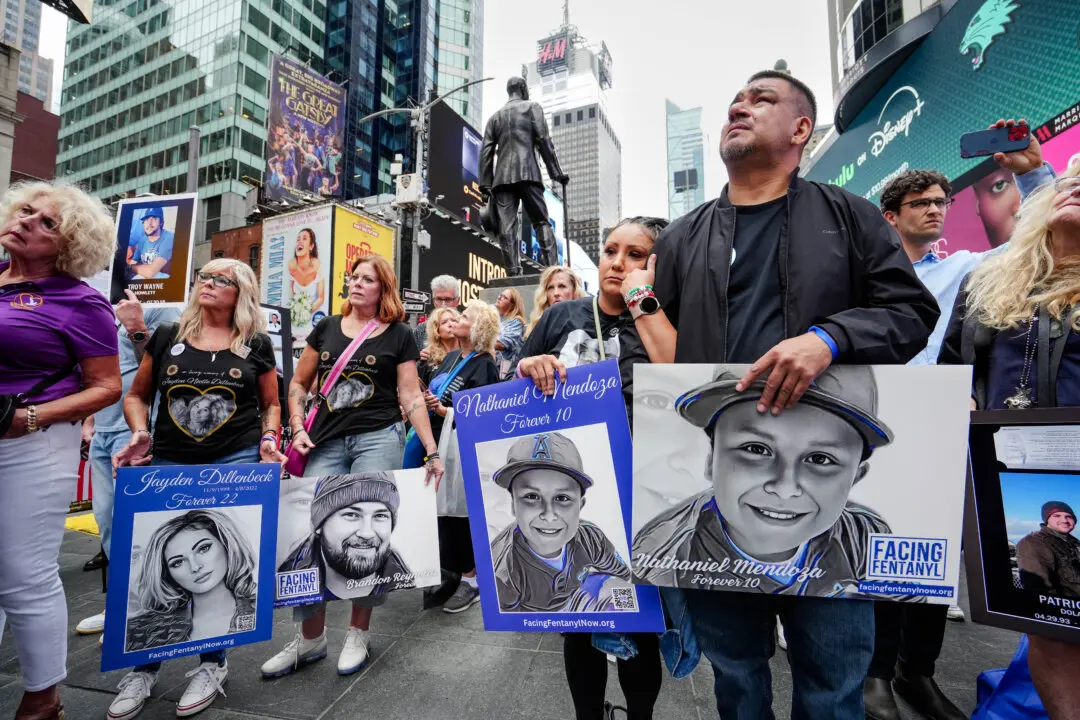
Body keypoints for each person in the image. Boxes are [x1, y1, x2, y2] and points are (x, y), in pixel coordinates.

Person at [650, 70, 938, 719]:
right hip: (725, 514)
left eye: (761, 99)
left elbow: (911, 313)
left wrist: (830, 339)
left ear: (801, 129)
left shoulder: (850, 217)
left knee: (834, 684)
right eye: (735, 101)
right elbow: (644, 351)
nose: (739, 107)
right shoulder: (683, 236)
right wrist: (555, 367)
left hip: (824, 523)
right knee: (736, 675)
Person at [865, 137, 1054, 720]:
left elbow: (1038, 236)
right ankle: (875, 674)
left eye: (943, 201)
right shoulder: (865, 272)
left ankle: (916, 673)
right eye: (920, 201)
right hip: (877, 419)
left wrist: (1033, 175)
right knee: (880, 546)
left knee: (937, 555)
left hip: (948, 420)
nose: (936, 209)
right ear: (891, 215)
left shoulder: (970, 267)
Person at [517, 216, 676, 720]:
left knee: (640, 618)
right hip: (577, 489)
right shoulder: (562, 315)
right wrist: (527, 367)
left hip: (644, 489)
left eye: (635, 254)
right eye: (610, 250)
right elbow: (515, 385)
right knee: (576, 616)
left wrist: (643, 299)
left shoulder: (661, 317)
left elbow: (682, 376)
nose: (617, 262)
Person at [110, 258, 283, 720]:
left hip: (235, 464)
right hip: (167, 462)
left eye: (220, 279)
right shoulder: (168, 336)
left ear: (240, 291)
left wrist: (269, 440)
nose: (207, 283)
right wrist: (138, 431)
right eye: (203, 277)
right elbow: (136, 394)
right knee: (158, 564)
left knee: (216, 567)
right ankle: (143, 668)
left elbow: (271, 404)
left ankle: (212, 665)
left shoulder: (256, 345)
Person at [937, 163, 1080, 720]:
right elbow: (956, 365)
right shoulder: (993, 278)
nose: (1073, 189)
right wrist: (962, 398)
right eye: (1066, 182)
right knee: (1049, 630)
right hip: (1014, 477)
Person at [262, 253, 443, 679]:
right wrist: (295, 425)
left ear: (384, 289)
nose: (357, 284)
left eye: (367, 279)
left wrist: (432, 452)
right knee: (310, 528)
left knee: (370, 531)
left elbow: (411, 395)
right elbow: (299, 384)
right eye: (354, 277)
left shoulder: (399, 335)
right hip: (324, 438)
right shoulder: (325, 327)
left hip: (379, 434)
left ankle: (358, 632)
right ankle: (310, 638)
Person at [0, 181, 121, 720]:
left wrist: (30, 416)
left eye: (48, 222)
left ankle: (43, 698)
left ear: (70, 246)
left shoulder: (80, 301)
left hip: (34, 445)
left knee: (25, 575)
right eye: (26, 210)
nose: (28, 221)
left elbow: (107, 385)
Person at [632, 366, 893, 592]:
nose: (784, 488)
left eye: (820, 459)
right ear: (712, 461)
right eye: (756, 449)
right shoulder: (660, 557)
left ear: (854, 479)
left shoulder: (866, 536)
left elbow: (898, 597)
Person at [76, 292, 181, 638]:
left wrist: (136, 325)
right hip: (103, 432)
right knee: (107, 523)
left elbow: (166, 371)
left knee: (135, 526)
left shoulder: (165, 301)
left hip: (132, 430)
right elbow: (96, 370)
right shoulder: (99, 299)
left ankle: (140, 608)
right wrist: (89, 420)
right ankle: (121, 604)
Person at [491, 432, 633, 613]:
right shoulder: (502, 570)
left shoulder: (590, 537)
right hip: (537, 616)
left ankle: (610, 637)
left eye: (562, 498)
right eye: (532, 496)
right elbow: (512, 621)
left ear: (580, 505)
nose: (549, 515)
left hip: (576, 595)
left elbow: (622, 574)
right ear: (513, 505)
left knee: (621, 593)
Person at [424, 300, 501, 614]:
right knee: (443, 513)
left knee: (463, 513)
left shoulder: (485, 364)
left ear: (479, 327)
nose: (456, 318)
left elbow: (486, 413)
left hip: (462, 449)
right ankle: (454, 572)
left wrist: (445, 410)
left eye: (465, 316)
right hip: (439, 445)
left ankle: (473, 580)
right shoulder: (454, 356)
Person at [126, 510, 258, 651]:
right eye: (178, 562)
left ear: (226, 544)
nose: (195, 567)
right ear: (167, 573)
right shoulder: (140, 629)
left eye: (203, 548)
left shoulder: (260, 609)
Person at [479, 76, 568, 274]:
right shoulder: (532, 107)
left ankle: (512, 272)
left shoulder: (495, 117)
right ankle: (553, 271)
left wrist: (485, 183)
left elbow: (485, 150)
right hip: (529, 173)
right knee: (541, 222)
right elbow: (544, 140)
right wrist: (556, 173)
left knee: (507, 226)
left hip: (502, 179)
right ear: (523, 88)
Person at [278, 473, 416, 598]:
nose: (367, 533)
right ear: (318, 525)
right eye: (351, 515)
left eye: (380, 516)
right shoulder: (280, 590)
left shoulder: (405, 588)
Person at [1016, 502, 1080, 599]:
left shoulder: (1075, 543)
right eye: (1057, 516)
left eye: (1069, 516)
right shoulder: (1034, 542)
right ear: (1047, 519)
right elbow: (1039, 589)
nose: (1064, 520)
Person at [525, 265, 586, 337]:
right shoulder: (537, 328)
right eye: (550, 288)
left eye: (562, 286)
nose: (556, 293)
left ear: (574, 291)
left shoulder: (587, 324)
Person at [288, 228, 325, 330]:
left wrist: (306, 313)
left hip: (313, 320)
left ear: (311, 246)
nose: (299, 241)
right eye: (298, 239)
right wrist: (295, 313)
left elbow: (321, 298)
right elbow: (291, 292)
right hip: (294, 322)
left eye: (304, 238)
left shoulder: (317, 266)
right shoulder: (291, 265)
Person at [414, 274, 461, 353]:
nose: (443, 305)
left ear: (457, 301)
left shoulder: (467, 327)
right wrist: (420, 358)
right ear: (433, 301)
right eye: (439, 299)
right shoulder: (422, 330)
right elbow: (411, 360)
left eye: (448, 299)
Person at [126, 206, 174, 280]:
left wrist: (129, 267)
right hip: (144, 281)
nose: (149, 223)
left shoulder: (168, 237)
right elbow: (132, 263)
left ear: (161, 222)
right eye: (147, 219)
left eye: (154, 218)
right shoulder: (142, 240)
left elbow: (151, 272)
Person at [417, 306, 461, 385]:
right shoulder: (429, 357)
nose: (450, 324)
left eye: (454, 320)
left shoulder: (469, 352)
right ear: (436, 330)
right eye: (444, 322)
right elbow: (420, 388)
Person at [494, 287, 527, 379]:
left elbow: (502, 343)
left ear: (512, 305)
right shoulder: (496, 318)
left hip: (505, 373)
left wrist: (481, 342)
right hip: (493, 368)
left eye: (504, 297)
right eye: (500, 295)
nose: (499, 297)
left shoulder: (516, 321)